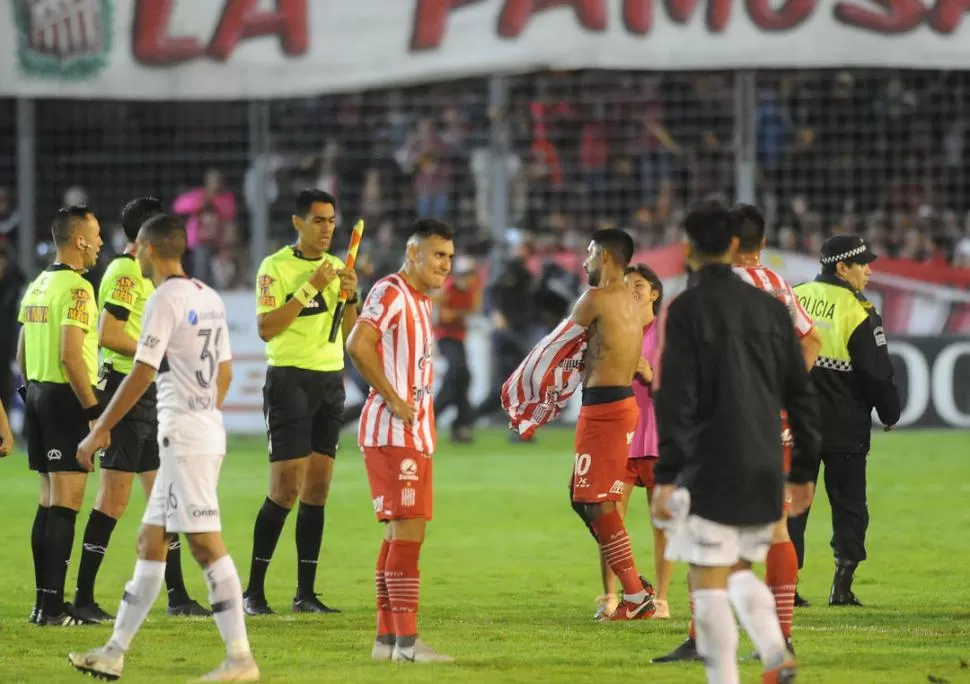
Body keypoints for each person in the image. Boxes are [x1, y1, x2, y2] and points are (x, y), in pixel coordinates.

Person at [68, 213, 259, 681]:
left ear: (149, 250)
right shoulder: (208, 297)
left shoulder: (163, 299)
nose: (132, 254)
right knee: (150, 541)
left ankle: (240, 659)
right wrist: (202, 411)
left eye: (137, 248)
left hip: (184, 436)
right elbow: (227, 373)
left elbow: (141, 372)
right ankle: (114, 650)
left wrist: (98, 429)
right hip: (199, 429)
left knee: (204, 545)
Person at [651, 200, 821, 684]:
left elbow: (675, 395)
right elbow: (802, 393)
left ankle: (727, 675)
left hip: (712, 458)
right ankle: (775, 649)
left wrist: (667, 474)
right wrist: (805, 469)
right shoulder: (771, 301)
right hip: (767, 450)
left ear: (687, 249)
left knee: (708, 578)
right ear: (735, 245)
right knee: (743, 567)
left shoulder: (684, 308)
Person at [73, 197, 208, 623]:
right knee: (113, 499)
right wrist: (159, 350)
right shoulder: (125, 272)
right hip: (124, 389)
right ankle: (82, 597)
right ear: (145, 235)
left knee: (165, 496)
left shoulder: (148, 274)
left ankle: (179, 596)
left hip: (149, 392)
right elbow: (108, 333)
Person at [243, 189, 358, 616]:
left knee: (318, 489)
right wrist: (311, 287)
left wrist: (352, 294)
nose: (327, 228)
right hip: (289, 381)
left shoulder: (337, 268)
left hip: (330, 381)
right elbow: (267, 328)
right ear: (298, 223)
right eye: (319, 220)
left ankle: (305, 594)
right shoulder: (274, 267)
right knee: (285, 488)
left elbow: (351, 332)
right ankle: (253, 591)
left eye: (331, 220)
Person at [346, 218, 456, 663]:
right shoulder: (391, 291)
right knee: (408, 537)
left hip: (412, 434)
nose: (445, 264)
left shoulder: (420, 301)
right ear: (413, 254)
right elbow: (358, 344)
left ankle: (387, 642)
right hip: (393, 434)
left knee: (398, 539)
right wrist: (392, 398)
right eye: (437, 255)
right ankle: (408, 647)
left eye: (449, 256)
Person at [788, 234, 900, 606]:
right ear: (841, 267)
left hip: (795, 425)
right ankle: (842, 584)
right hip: (844, 427)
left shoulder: (795, 296)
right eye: (862, 264)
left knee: (793, 504)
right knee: (849, 503)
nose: (868, 270)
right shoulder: (860, 310)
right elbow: (876, 374)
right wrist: (889, 412)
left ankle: (787, 585)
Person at [562, 229, 657, 621]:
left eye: (588, 254)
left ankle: (635, 595)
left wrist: (524, 394)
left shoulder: (598, 298)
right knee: (582, 497)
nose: (583, 263)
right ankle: (636, 586)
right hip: (613, 407)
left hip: (606, 410)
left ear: (603, 256)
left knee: (596, 502)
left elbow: (557, 346)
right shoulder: (627, 302)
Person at [17, 205, 103, 626]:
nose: (101, 243)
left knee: (49, 501)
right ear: (80, 239)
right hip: (65, 399)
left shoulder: (36, 285)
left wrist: (37, 391)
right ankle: (52, 608)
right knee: (67, 504)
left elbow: (20, 353)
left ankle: (43, 604)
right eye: (97, 234)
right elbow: (72, 357)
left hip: (36, 393)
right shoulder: (77, 289)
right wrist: (94, 413)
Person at [593, 264, 671, 621]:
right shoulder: (615, 330)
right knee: (610, 520)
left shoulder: (666, 333)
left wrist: (650, 374)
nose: (632, 290)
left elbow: (678, 387)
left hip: (658, 439)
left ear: (654, 292)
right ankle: (611, 596)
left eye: (638, 284)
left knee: (663, 525)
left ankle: (663, 599)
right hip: (620, 441)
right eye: (626, 286)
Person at [433, 255, 481, 444]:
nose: (466, 278)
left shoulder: (471, 290)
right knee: (458, 373)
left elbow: (472, 309)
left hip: (458, 337)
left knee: (461, 379)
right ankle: (454, 423)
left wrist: (454, 314)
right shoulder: (448, 288)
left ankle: (456, 424)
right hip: (444, 338)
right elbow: (440, 315)